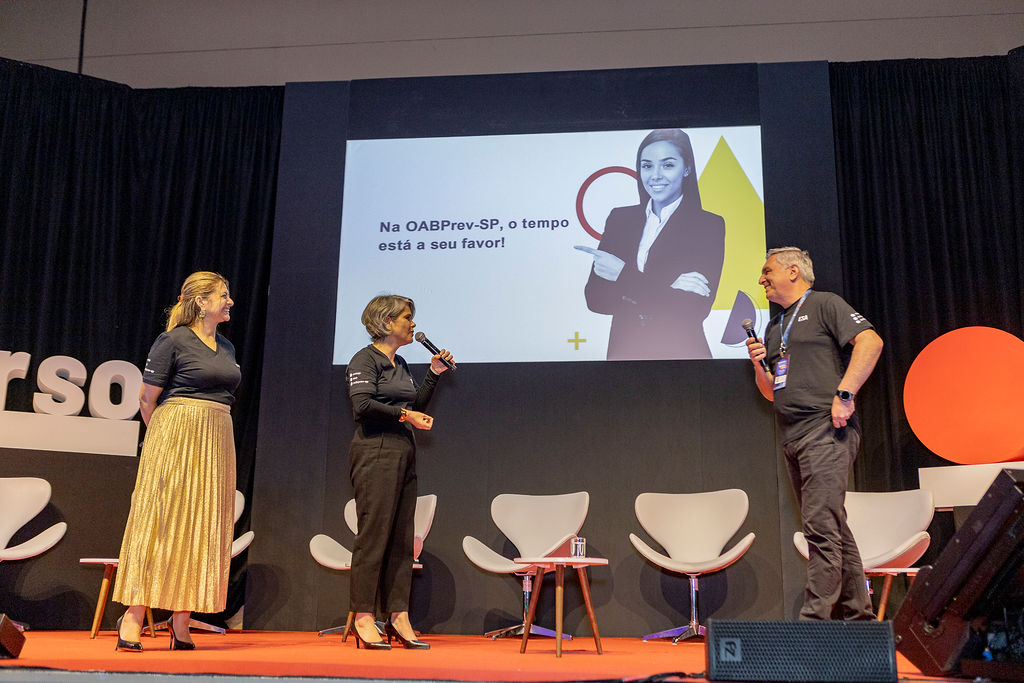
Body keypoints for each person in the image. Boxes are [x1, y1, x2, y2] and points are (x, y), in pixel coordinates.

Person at [745, 247, 884, 620]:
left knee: (820, 526)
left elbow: (871, 342)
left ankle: (813, 623)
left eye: (767, 271)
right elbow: (771, 392)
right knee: (832, 524)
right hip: (792, 436)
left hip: (826, 429)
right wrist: (759, 366)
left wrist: (845, 394)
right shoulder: (775, 326)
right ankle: (860, 620)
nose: (761, 279)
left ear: (793, 271)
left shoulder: (825, 304)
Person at [112, 271, 240, 652]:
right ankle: (133, 616)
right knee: (160, 522)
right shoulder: (172, 340)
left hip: (218, 438)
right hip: (176, 433)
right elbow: (146, 399)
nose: (230, 301)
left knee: (203, 525)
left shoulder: (227, 346)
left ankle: (181, 621)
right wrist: (163, 442)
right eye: (223, 295)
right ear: (201, 301)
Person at [345, 295, 452, 650]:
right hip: (374, 451)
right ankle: (363, 616)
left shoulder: (401, 362)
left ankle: (398, 614)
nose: (413, 324)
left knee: (402, 539)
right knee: (373, 536)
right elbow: (362, 406)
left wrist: (433, 374)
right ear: (387, 322)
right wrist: (406, 415)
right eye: (407, 317)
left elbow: (414, 405)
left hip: (404, 451)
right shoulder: (365, 359)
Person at [576, 128, 725, 360]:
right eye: (647, 166)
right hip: (624, 354)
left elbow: (693, 309)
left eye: (667, 165)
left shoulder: (707, 225)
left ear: (686, 168)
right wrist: (670, 287)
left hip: (684, 356)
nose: (655, 175)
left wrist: (622, 275)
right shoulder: (620, 219)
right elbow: (596, 299)